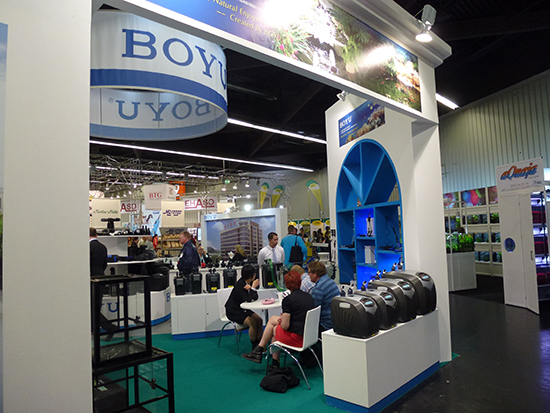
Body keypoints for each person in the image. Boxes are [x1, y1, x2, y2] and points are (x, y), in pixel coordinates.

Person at [242, 271, 315, 366]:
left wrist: (282, 321)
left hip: (298, 339)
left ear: (287, 285)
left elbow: (285, 326)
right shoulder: (308, 296)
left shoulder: (288, 300)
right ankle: (264, 354)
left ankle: (267, 356)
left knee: (274, 329)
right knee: (273, 322)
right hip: (309, 336)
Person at [224, 264, 263, 350]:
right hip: (233, 311)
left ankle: (260, 344)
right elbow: (248, 299)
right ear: (252, 275)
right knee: (253, 323)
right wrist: (253, 288)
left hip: (243, 309)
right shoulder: (239, 285)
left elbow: (255, 297)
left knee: (259, 320)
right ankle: (254, 346)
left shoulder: (250, 283)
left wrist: (252, 288)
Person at [89, 227, 117, 339]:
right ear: (96, 235)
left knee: (92, 308)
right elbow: (104, 264)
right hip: (101, 277)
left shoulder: (88, 247)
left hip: (91, 280)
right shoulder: (103, 247)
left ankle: (110, 327)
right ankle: (95, 329)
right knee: (96, 306)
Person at [308, 261, 339, 332]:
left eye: (309, 272)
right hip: (334, 321)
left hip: (325, 325)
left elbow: (312, 308)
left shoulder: (319, 288)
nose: (308, 275)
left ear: (315, 274)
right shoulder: (330, 281)